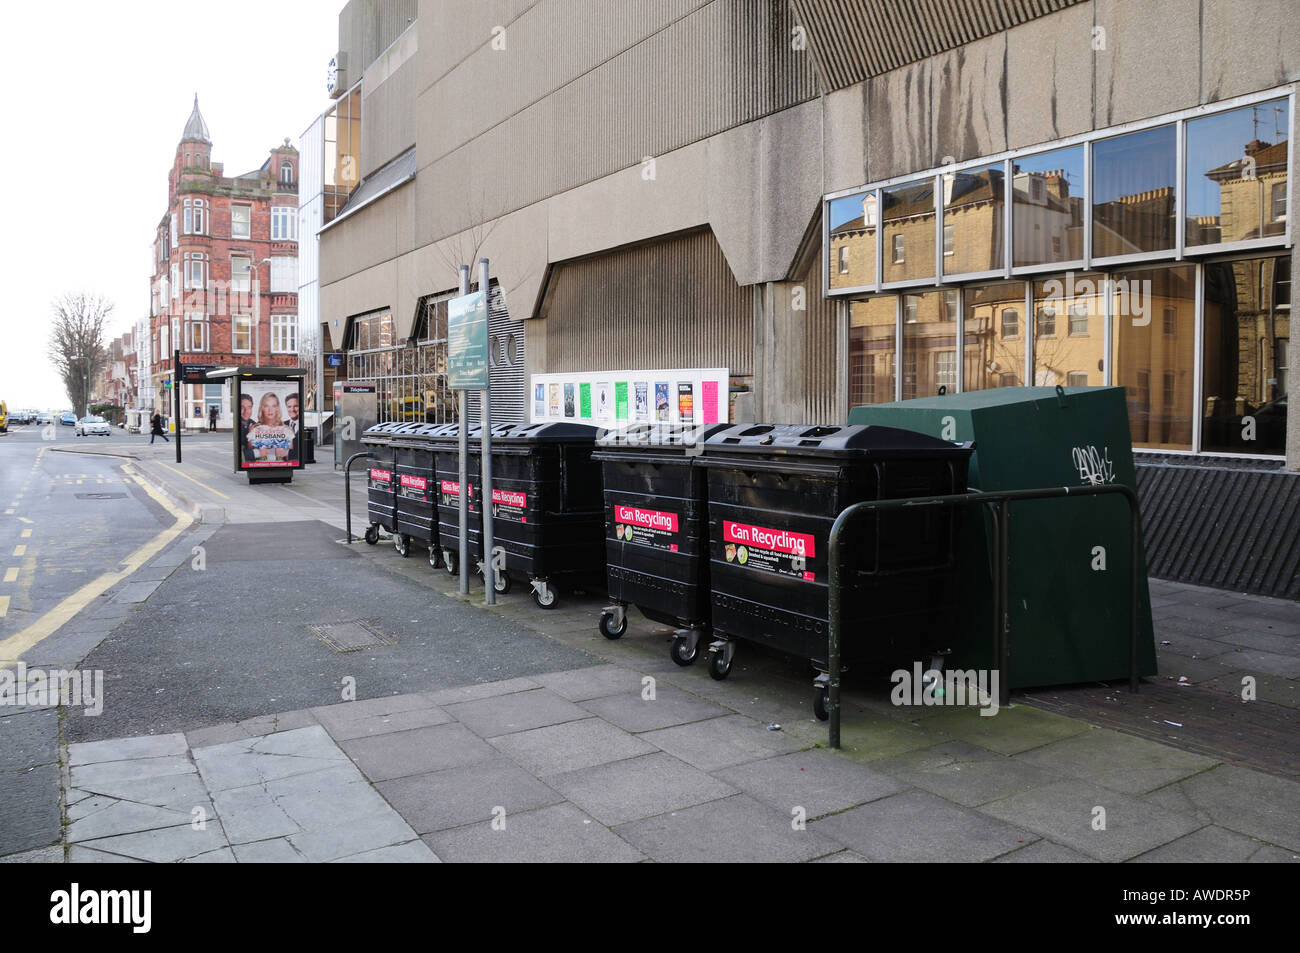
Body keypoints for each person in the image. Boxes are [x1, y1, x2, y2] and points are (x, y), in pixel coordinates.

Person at [238, 394, 255, 461]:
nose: (246, 411)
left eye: (249, 407)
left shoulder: (254, 424)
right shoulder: (237, 426)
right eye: (242, 407)